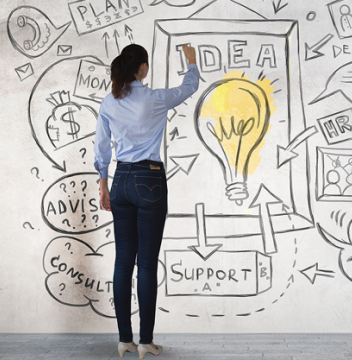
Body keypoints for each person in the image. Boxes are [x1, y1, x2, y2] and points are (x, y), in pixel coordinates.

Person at [93, 43, 200, 359]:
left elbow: (101, 146)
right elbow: (189, 86)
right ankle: (145, 341)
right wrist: (191, 60)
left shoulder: (109, 101)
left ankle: (124, 339)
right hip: (149, 180)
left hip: (120, 181)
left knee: (123, 261)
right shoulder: (155, 99)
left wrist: (103, 184)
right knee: (147, 263)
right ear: (143, 68)